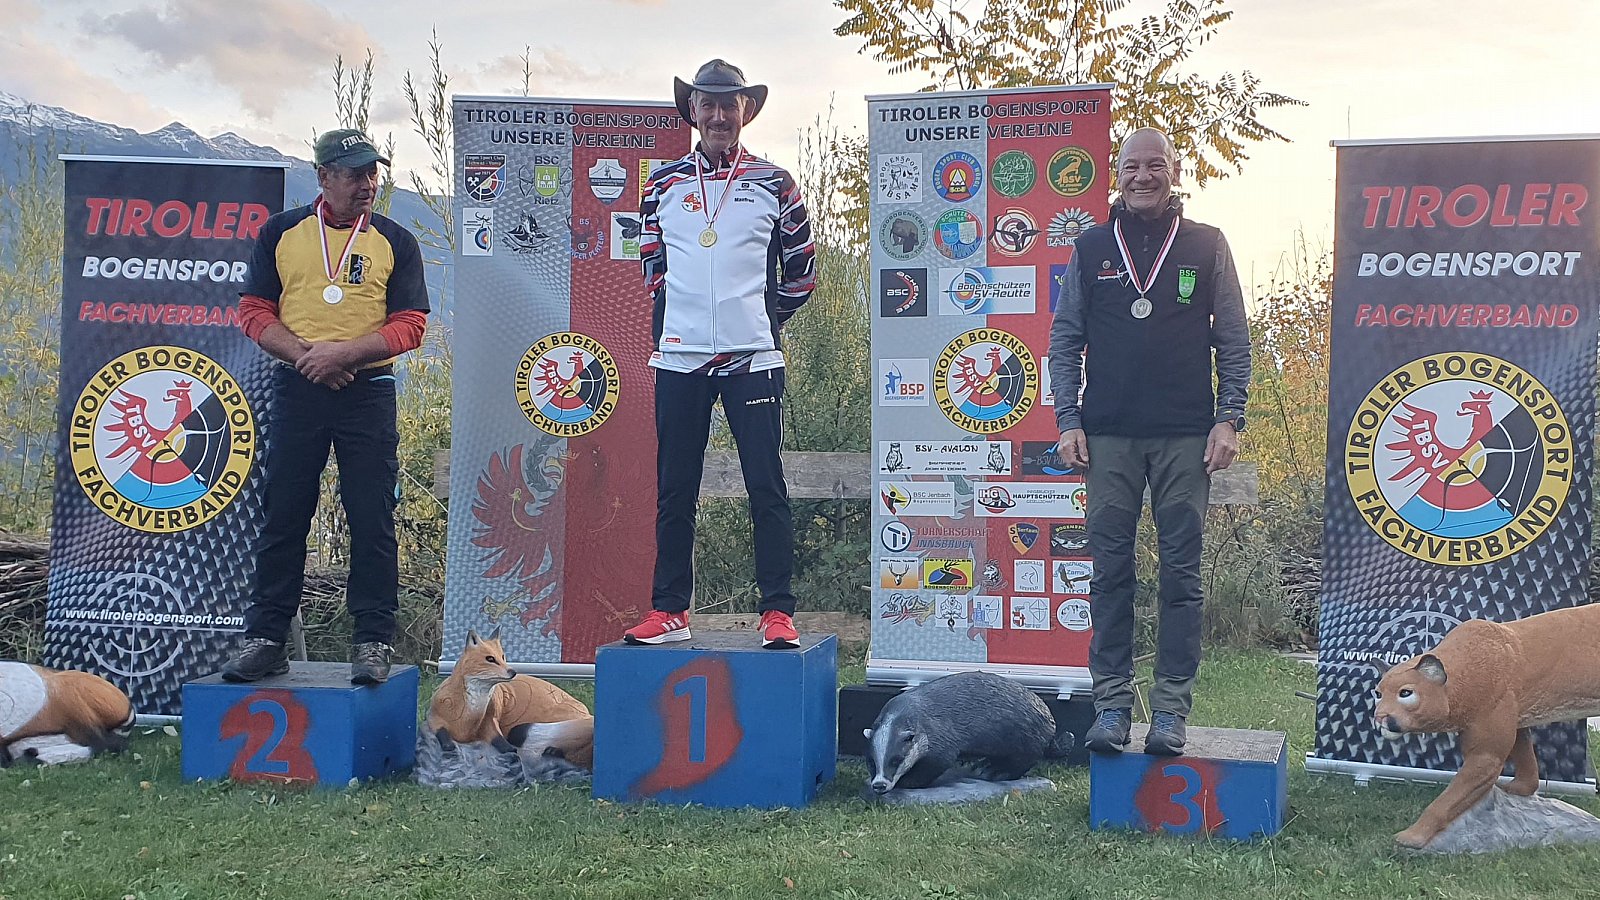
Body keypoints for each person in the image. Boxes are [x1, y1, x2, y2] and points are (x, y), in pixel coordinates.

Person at [1047, 127, 1250, 755]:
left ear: (1174, 172)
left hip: (1186, 436)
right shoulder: (1090, 247)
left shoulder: (1206, 244)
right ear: (1118, 174)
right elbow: (1065, 339)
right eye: (1132, 166)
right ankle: (1111, 707)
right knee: (1109, 573)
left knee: (1181, 576)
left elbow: (1234, 338)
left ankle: (1170, 712)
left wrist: (1229, 418)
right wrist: (1068, 420)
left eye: (1155, 165)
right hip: (1108, 436)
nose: (1143, 176)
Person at [222, 128, 430, 685]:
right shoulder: (281, 232)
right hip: (297, 386)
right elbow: (253, 311)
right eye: (355, 174)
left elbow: (411, 325)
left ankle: (373, 640)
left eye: (373, 173)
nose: (368, 184)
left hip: (369, 390)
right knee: (284, 512)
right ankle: (266, 638)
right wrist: (308, 357)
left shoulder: (395, 240)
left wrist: (345, 354)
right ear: (323, 177)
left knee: (371, 517)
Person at [623, 59, 816, 649]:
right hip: (680, 359)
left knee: (766, 485)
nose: (717, 115)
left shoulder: (776, 182)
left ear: (745, 111)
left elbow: (803, 270)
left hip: (752, 359)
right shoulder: (661, 184)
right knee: (675, 489)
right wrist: (681, 322)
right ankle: (669, 610)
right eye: (707, 104)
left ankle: (777, 611)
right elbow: (652, 264)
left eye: (728, 104)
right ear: (692, 111)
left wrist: (758, 319)